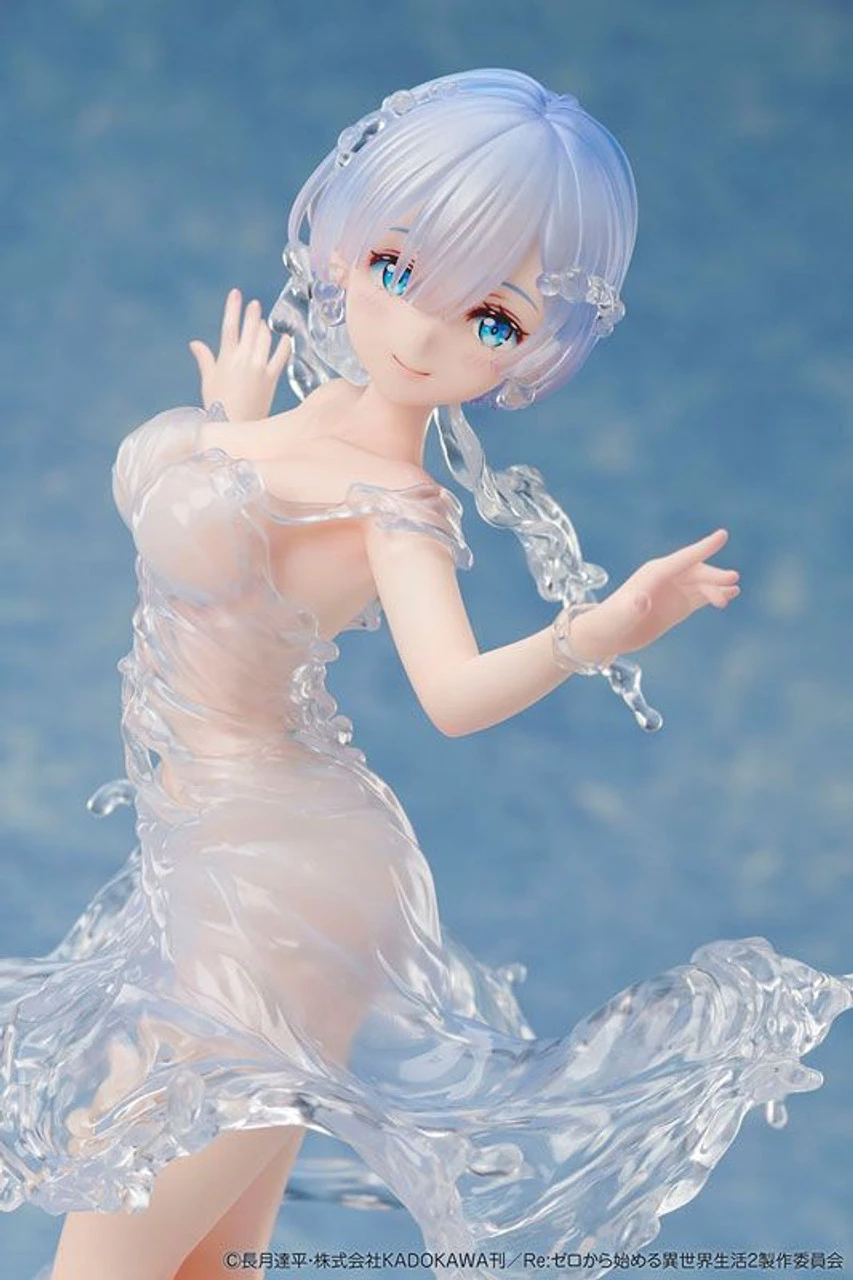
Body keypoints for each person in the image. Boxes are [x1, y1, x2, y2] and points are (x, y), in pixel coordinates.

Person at [3, 68, 851, 1280]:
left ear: (531, 352)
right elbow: (218, 525)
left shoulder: (397, 504)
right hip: (208, 857)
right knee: (200, 1263)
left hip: (281, 883)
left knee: (109, 1246)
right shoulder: (292, 426)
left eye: (491, 319)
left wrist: (592, 631)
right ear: (345, 243)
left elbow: (450, 695)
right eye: (398, 268)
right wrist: (229, 422)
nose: (419, 333)